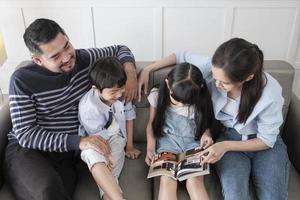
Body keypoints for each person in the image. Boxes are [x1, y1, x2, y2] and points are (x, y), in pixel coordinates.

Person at [138, 38, 290, 200]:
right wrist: (148, 69)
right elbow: (180, 56)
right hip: (229, 138)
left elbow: (267, 140)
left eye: (224, 83)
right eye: (215, 78)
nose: (216, 85)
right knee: (234, 194)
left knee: (273, 195)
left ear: (247, 78)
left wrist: (223, 146)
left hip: (263, 145)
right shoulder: (212, 68)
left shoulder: (269, 94)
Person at [4, 18, 138, 200]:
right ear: (37, 60)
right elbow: (26, 134)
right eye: (55, 56)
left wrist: (130, 75)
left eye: (67, 46)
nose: (67, 57)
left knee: (60, 192)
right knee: (48, 190)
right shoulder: (22, 80)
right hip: (28, 151)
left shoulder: (84, 59)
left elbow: (120, 49)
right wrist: (80, 141)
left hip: (65, 155)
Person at [145, 63, 214, 200]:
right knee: (167, 180)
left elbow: (205, 125)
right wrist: (150, 148)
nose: (181, 105)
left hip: (193, 144)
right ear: (168, 84)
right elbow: (151, 125)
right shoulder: (157, 95)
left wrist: (207, 134)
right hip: (167, 143)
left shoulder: (201, 97)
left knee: (195, 181)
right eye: (176, 100)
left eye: (187, 102)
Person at [78, 57, 141, 200]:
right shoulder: (89, 108)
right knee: (93, 156)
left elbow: (129, 118)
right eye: (113, 92)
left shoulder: (121, 96)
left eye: (122, 88)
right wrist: (107, 156)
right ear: (96, 89)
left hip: (116, 139)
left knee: (112, 171)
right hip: (95, 142)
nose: (119, 94)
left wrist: (130, 147)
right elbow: (98, 139)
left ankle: (109, 197)